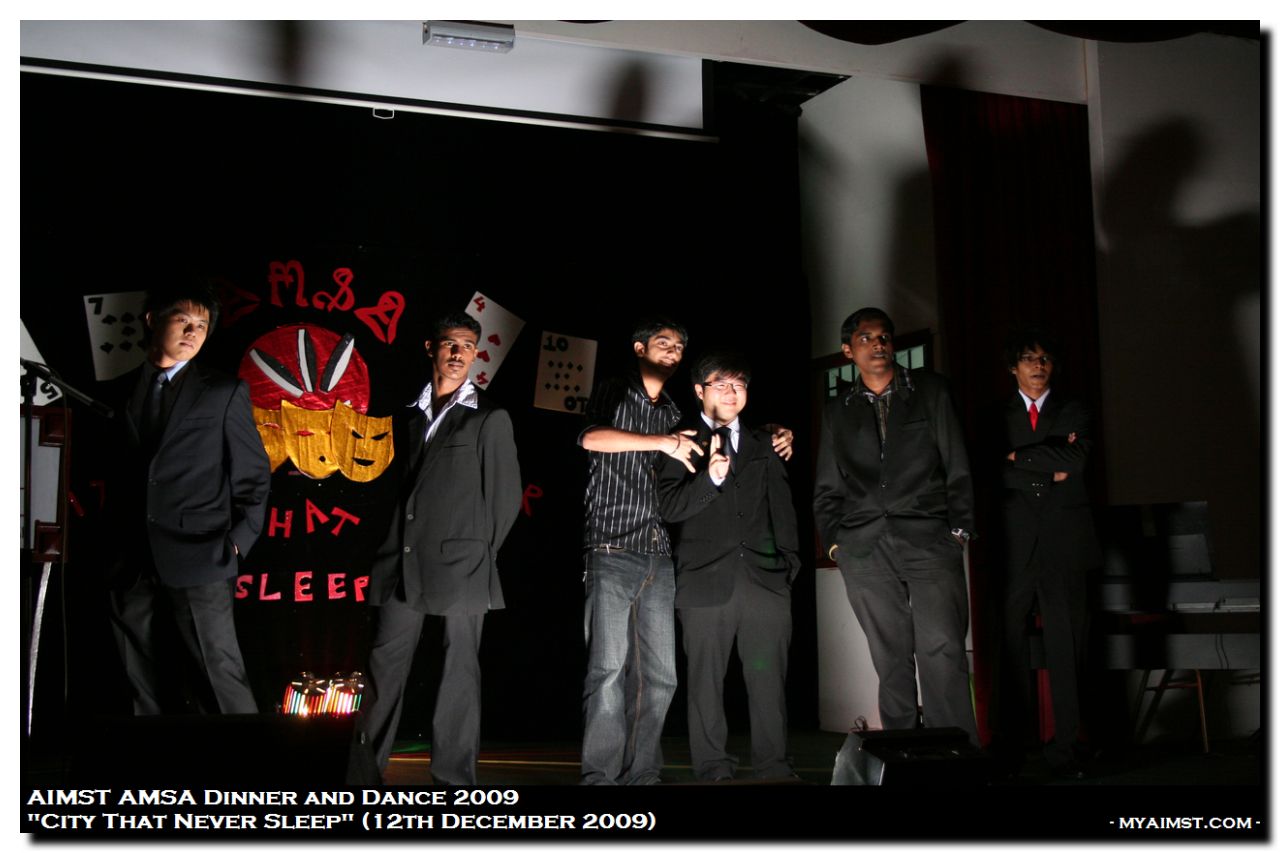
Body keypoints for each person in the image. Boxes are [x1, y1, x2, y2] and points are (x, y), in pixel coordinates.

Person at [578, 319, 794, 785]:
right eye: (664, 343)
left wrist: (788, 564)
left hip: (690, 562)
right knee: (621, 671)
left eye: (679, 347)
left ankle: (651, 774)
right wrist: (689, 462)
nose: (673, 352)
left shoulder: (703, 422)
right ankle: (616, 776)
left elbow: (779, 505)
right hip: (643, 557)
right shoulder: (646, 411)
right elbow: (595, 442)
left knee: (673, 678)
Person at [364, 312, 521, 785]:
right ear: (431, 348)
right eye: (450, 343)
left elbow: (505, 500)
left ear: (475, 355)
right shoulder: (407, 413)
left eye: (467, 346)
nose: (458, 354)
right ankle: (361, 774)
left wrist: (477, 554)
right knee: (383, 668)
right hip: (402, 561)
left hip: (463, 565)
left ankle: (454, 780)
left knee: (458, 671)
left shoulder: (489, 417)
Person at [812, 307, 978, 744]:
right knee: (890, 658)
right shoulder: (837, 410)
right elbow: (827, 487)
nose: (878, 344)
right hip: (864, 547)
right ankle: (903, 756)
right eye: (866, 338)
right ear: (848, 351)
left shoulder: (931, 390)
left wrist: (959, 530)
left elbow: (959, 465)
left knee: (943, 650)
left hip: (929, 538)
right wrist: (836, 545)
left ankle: (955, 755)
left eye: (884, 336)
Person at [105, 281, 271, 716]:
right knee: (138, 683)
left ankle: (249, 761)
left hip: (201, 554)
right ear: (152, 320)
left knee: (219, 676)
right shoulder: (117, 391)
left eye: (202, 325)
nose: (193, 332)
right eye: (183, 320)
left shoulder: (222, 391)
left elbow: (253, 475)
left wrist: (236, 545)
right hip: (130, 558)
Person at [656, 351, 801, 782]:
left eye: (738, 385)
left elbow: (783, 509)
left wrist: (787, 566)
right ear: (699, 391)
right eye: (720, 384)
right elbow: (669, 507)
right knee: (705, 682)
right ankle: (712, 767)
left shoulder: (765, 443)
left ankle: (774, 766)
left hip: (765, 580)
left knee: (769, 681)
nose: (731, 392)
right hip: (703, 582)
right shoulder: (681, 441)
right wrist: (711, 479)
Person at [992, 329, 1100, 779]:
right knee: (1009, 647)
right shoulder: (995, 415)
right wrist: (1047, 464)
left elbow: (1076, 461)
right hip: (1013, 542)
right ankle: (1013, 750)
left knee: (1067, 647)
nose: (1038, 366)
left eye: (1045, 359)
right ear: (1013, 367)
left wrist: (1017, 459)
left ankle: (1067, 750)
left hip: (1064, 541)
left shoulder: (1074, 409)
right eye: (1028, 358)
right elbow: (988, 468)